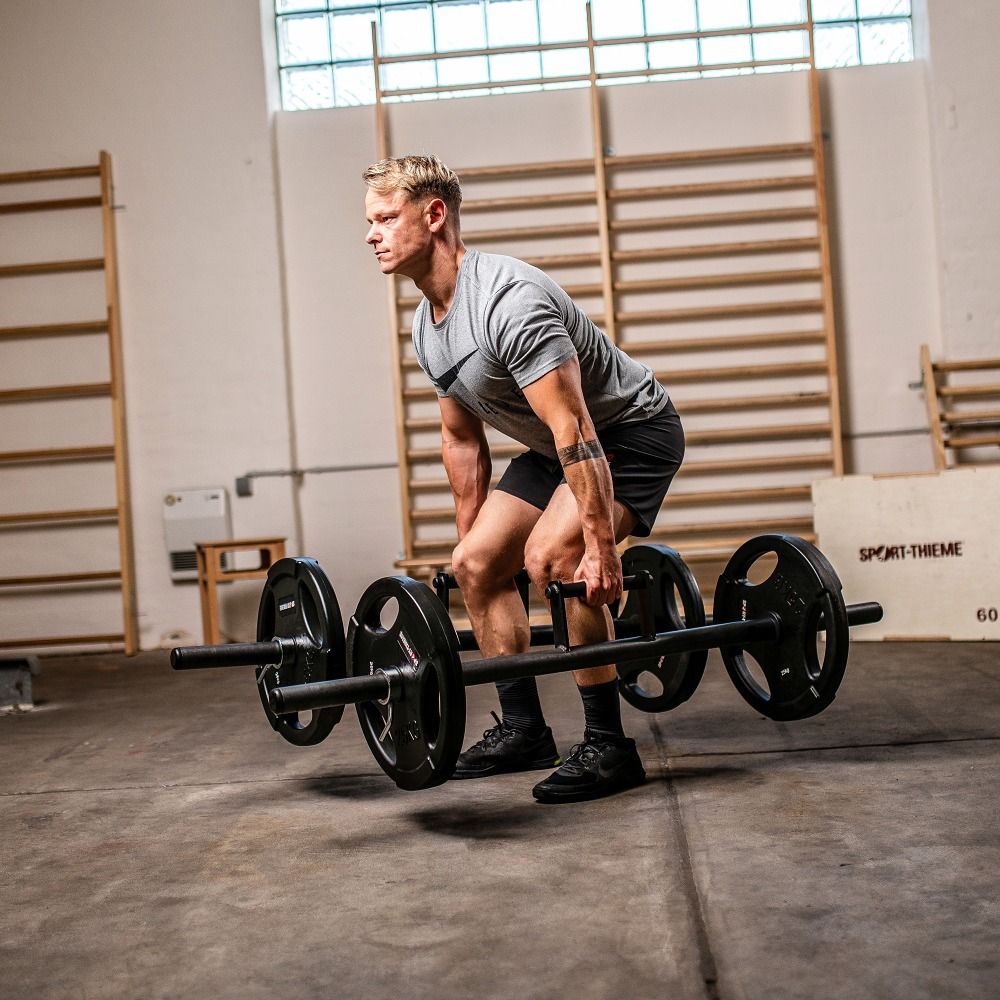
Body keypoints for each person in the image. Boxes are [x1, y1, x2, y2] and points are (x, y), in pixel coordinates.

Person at [363, 154, 684, 803]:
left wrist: (597, 550)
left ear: (434, 215)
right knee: (476, 564)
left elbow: (577, 429)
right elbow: (462, 444)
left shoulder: (509, 300)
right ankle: (522, 728)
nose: (372, 234)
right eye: (370, 221)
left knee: (556, 557)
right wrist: (480, 544)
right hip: (553, 449)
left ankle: (607, 746)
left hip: (628, 432)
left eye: (386, 218)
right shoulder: (429, 326)